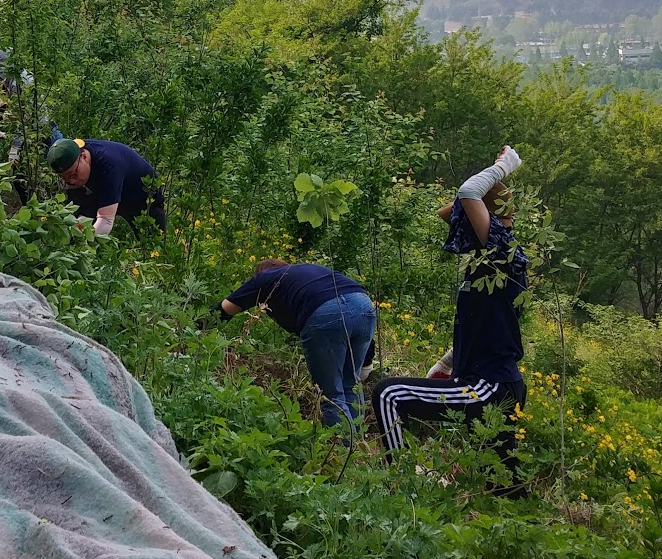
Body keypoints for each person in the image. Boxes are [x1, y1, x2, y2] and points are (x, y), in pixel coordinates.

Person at [370, 146, 529, 493]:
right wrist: (447, 362)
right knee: (502, 480)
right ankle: (519, 518)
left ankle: (403, 482)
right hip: (498, 382)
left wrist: (502, 166)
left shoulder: (501, 252)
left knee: (388, 394)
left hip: (488, 386)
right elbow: (451, 210)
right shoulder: (488, 261)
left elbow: (468, 193)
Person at [219, 259, 378, 427]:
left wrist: (198, 328)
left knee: (330, 394)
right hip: (363, 303)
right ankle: (359, 441)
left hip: (326, 314)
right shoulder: (308, 271)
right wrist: (367, 361)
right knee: (351, 383)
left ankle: (342, 448)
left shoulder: (264, 278)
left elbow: (224, 309)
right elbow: (353, 318)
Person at [44, 137, 165, 236]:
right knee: (78, 220)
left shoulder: (109, 166)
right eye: (64, 178)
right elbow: (77, 214)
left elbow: (105, 221)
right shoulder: (72, 157)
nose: (70, 181)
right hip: (100, 187)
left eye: (73, 174)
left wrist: (83, 248)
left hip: (141, 195)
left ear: (84, 157)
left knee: (152, 238)